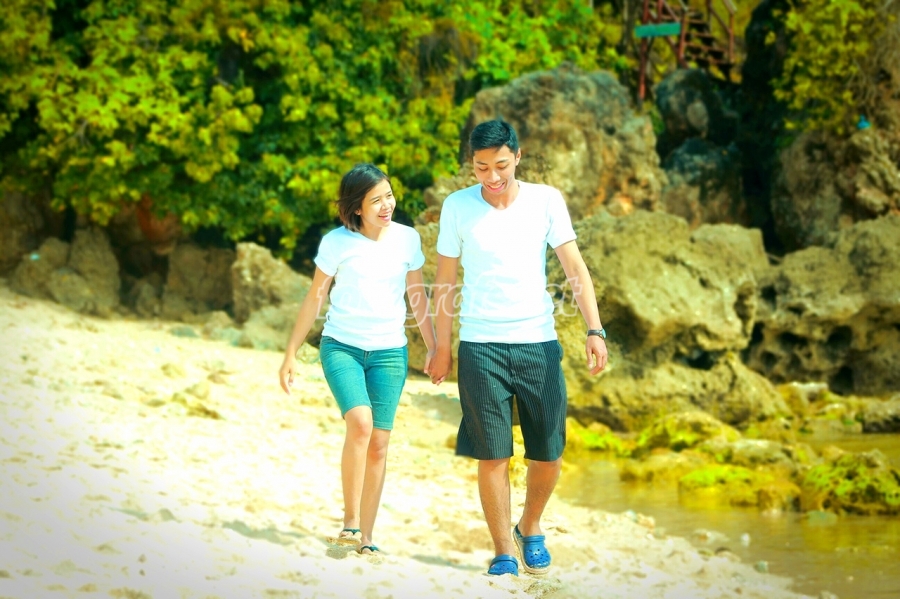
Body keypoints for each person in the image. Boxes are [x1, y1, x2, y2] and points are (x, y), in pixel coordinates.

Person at [429, 120, 608, 577]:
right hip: (480, 345)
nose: (492, 176)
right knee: (492, 453)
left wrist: (595, 329)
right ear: (472, 164)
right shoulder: (457, 207)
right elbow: (445, 281)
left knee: (548, 453)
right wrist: (441, 347)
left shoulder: (546, 201)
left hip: (538, 343)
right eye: (481, 167)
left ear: (518, 157)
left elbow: (574, 267)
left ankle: (530, 525)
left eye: (501, 165)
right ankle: (503, 550)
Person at [279, 163, 436, 555]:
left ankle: (366, 537)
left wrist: (434, 347)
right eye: (376, 200)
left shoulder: (408, 239)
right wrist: (291, 352)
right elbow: (315, 297)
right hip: (342, 347)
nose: (387, 205)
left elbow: (417, 296)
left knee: (379, 443)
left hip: (390, 353)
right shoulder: (336, 243)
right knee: (361, 423)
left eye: (389, 195)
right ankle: (350, 524)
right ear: (357, 207)